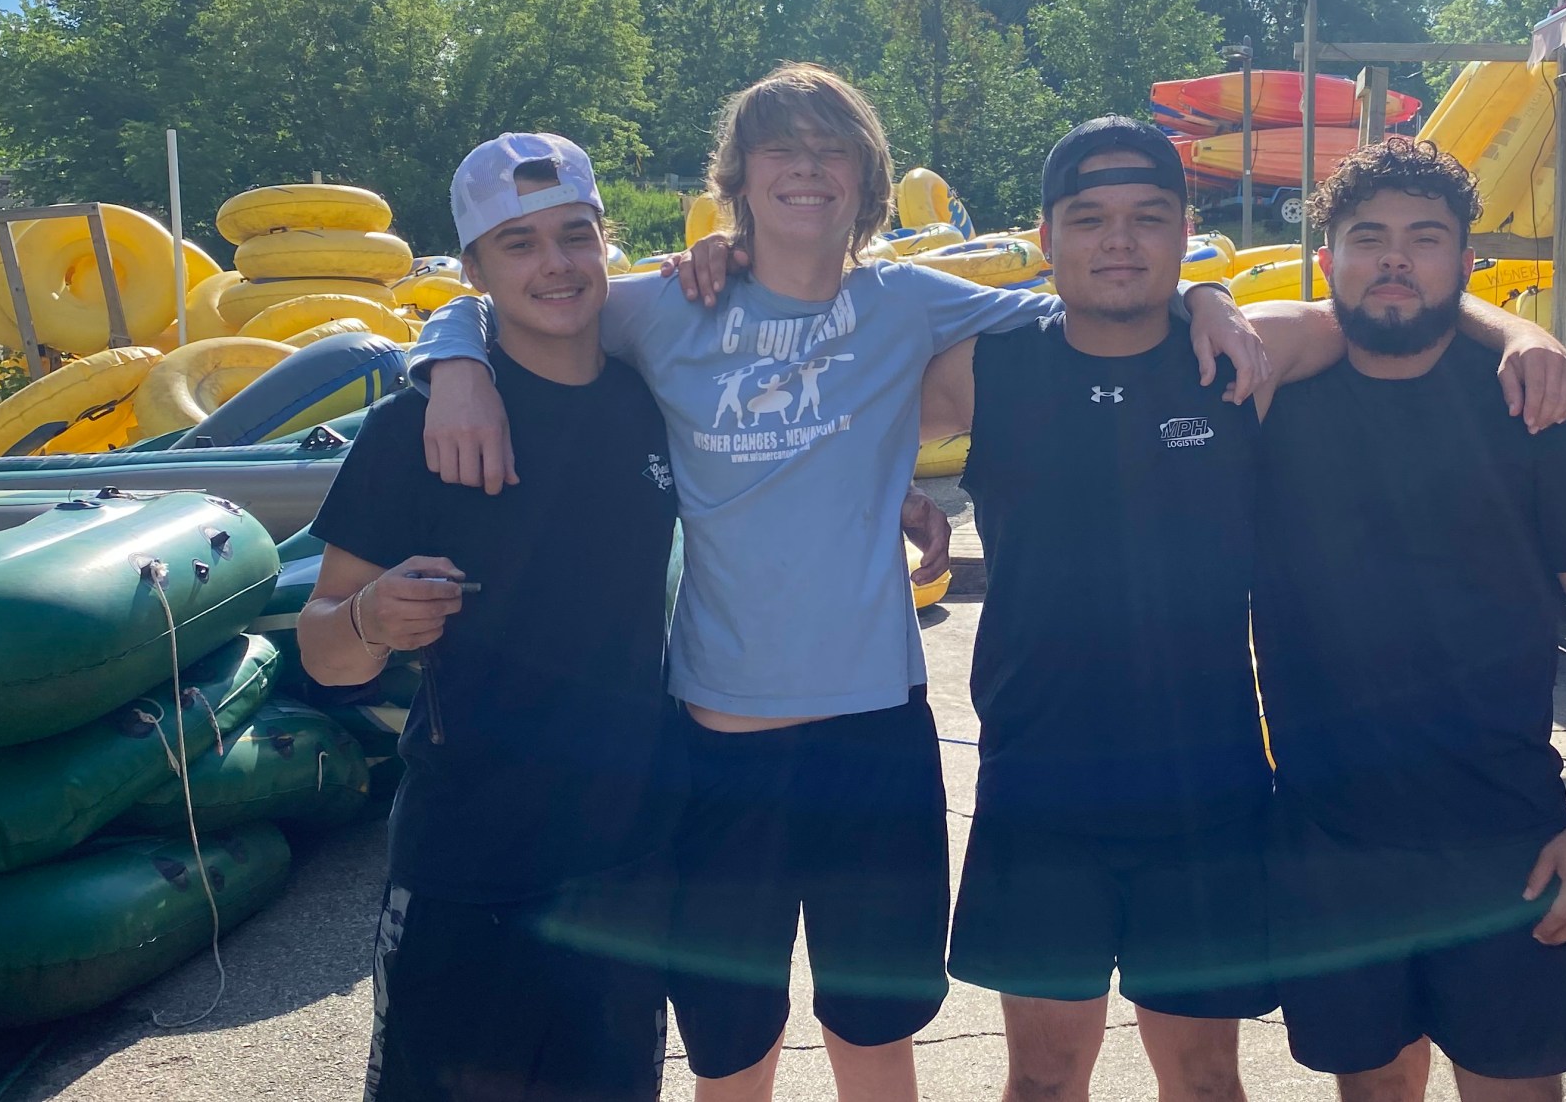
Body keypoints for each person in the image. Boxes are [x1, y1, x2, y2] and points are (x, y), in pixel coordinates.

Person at [409, 67, 1269, 1102]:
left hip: (876, 735)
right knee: (732, 1047)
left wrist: (1207, 293)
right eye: (781, 148)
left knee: (874, 1033)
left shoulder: (908, 301)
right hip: (719, 741)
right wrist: (451, 359)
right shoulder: (669, 307)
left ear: (868, 180)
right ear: (736, 179)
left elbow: (1097, 293)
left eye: (833, 150)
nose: (807, 168)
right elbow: (509, 305)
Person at [909, 118, 1566, 1102]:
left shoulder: (1248, 354)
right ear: (1046, 236)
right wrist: (891, 484)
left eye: (1148, 218)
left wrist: (1525, 329)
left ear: (1186, 229)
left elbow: (1397, 306)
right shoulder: (987, 369)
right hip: (1039, 783)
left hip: (1206, 788)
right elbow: (848, 402)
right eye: (1089, 219)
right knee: (1045, 1078)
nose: (1119, 240)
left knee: (1204, 1078)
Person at [1251, 138, 1566, 1102]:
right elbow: (1195, 326)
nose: (1395, 260)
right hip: (1326, 831)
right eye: (1369, 238)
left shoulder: (1539, 405)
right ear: (1328, 264)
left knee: (1512, 1084)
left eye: (1425, 240)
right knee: (1374, 1087)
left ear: (1465, 264)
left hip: (1502, 831)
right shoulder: (1268, 397)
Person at [298, 132, 680, 1102]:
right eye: (517, 244)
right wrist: (375, 620)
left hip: (625, 868)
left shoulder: (656, 403)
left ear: (607, 243)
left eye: (574, 235)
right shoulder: (412, 432)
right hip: (467, 871)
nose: (555, 264)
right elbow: (321, 650)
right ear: (472, 268)